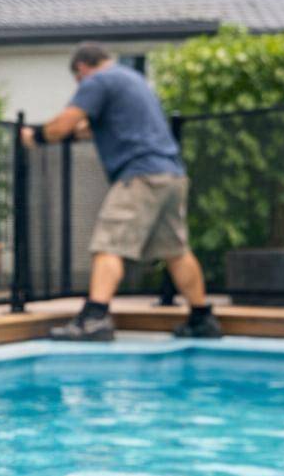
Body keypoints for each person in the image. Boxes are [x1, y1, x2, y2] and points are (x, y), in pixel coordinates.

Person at [21, 42, 219, 341]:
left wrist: (34, 136)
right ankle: (202, 318)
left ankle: (95, 318)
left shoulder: (97, 81)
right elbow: (92, 128)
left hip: (140, 175)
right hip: (171, 174)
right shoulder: (132, 79)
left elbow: (64, 124)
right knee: (176, 251)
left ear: (82, 69)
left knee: (108, 244)